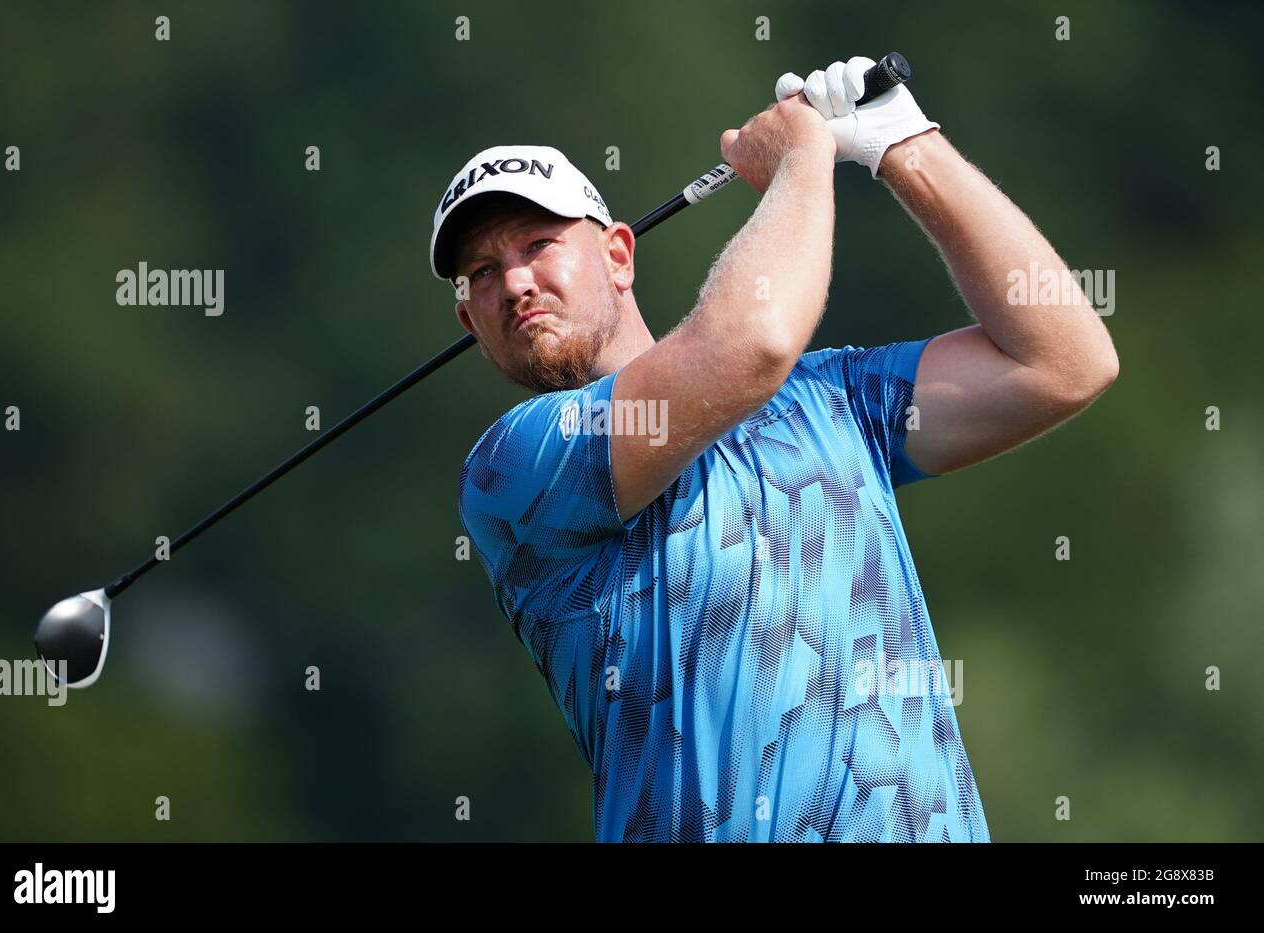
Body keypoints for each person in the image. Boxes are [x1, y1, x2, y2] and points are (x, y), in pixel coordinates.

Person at [430, 55, 1118, 842]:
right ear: (471, 325)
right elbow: (752, 343)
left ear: (619, 255)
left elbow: (1064, 361)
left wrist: (908, 150)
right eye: (483, 272)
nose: (514, 283)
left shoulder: (831, 399)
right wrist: (801, 159)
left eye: (538, 244)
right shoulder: (515, 467)